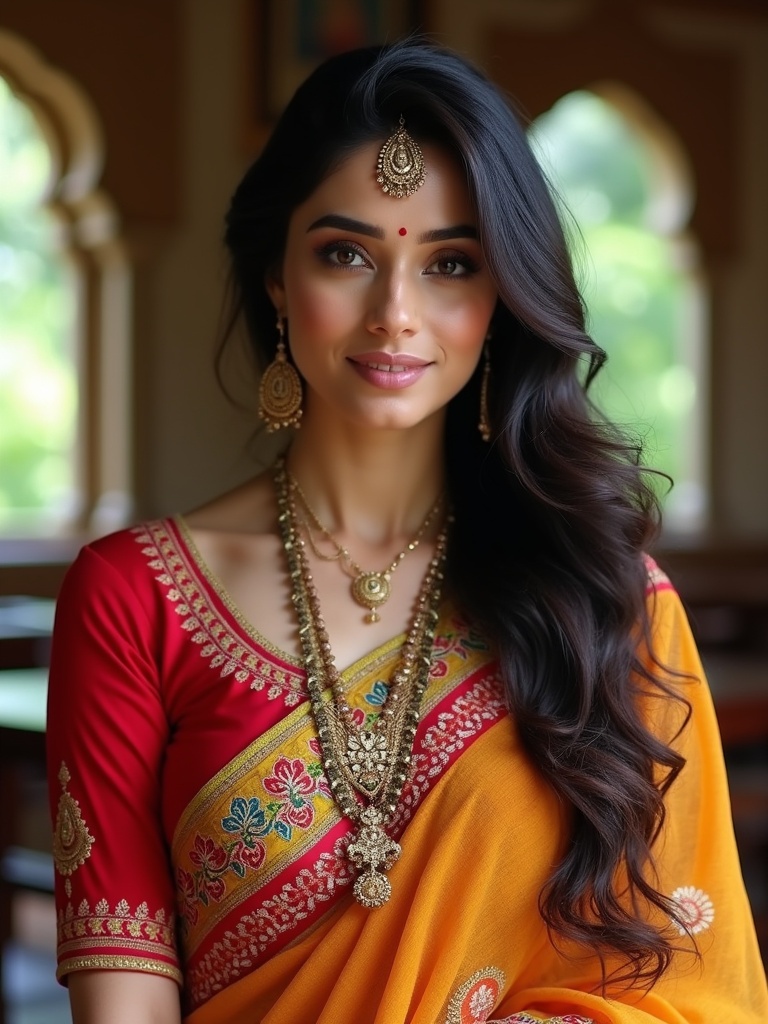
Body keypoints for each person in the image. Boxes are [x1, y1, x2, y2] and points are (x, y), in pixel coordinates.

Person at [46, 38, 767, 1024]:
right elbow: (122, 994)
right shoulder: (138, 596)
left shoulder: (607, 599)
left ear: (502, 295)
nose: (395, 313)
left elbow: (695, 982)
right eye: (346, 254)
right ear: (274, 274)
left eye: (450, 264)